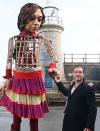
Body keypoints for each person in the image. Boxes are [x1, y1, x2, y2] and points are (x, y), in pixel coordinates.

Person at [0, 3, 57, 131]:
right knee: (16, 115)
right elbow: (9, 61)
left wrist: (53, 67)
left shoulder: (43, 40)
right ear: (23, 18)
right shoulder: (13, 40)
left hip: (35, 80)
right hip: (18, 79)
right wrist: (8, 79)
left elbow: (54, 57)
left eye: (39, 19)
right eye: (32, 18)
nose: (36, 22)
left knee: (34, 116)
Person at [48, 65, 97, 131]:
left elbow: (93, 109)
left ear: (83, 74)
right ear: (73, 74)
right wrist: (58, 82)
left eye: (80, 72)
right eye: (76, 72)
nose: (78, 74)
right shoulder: (72, 86)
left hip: (80, 124)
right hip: (68, 121)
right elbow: (67, 93)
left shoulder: (88, 89)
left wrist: (89, 126)